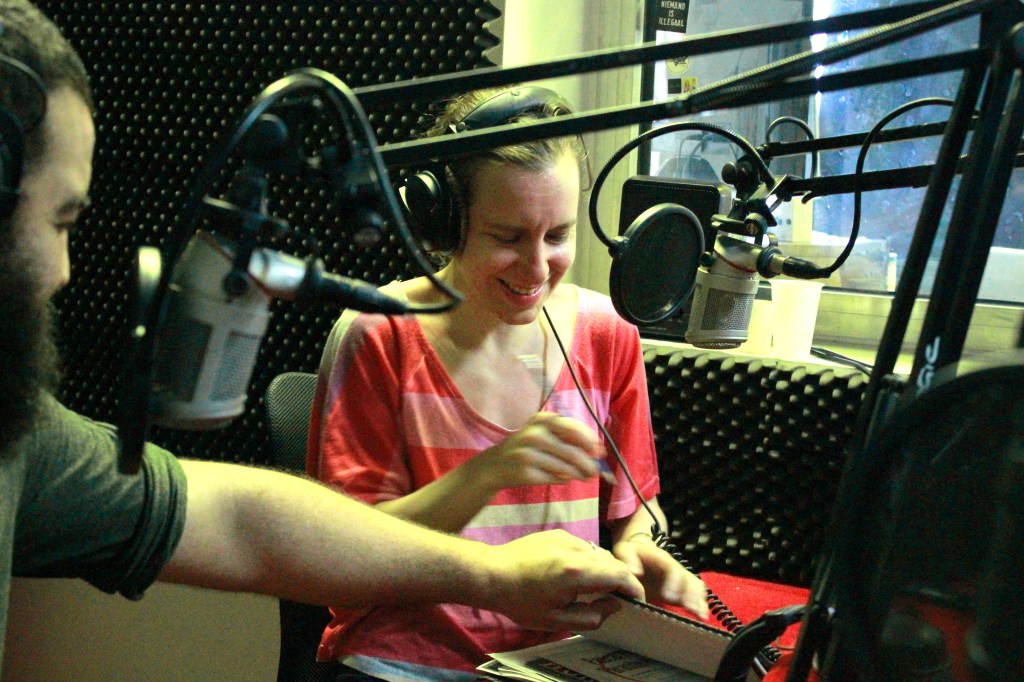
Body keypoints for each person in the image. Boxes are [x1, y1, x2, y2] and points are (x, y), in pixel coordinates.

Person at [0, 0, 651, 671]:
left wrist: (514, 576)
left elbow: (241, 522)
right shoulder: (380, 335)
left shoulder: (25, 444)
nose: (64, 271)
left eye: (557, 234)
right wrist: (489, 544)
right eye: (60, 221)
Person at [309, 86, 709, 680]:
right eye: (508, 237)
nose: (537, 267)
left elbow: (636, 507)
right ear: (446, 223)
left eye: (558, 236)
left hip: (557, 661)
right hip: (407, 663)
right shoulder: (379, 335)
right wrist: (486, 473)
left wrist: (638, 547)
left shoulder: (607, 333)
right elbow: (344, 559)